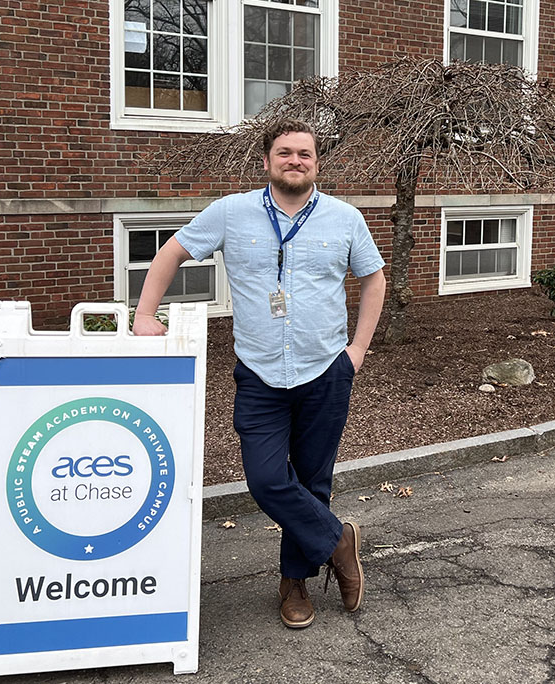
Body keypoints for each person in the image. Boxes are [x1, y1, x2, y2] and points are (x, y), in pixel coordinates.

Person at [132, 119, 387, 629]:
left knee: (313, 481)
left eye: (305, 154)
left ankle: (294, 584)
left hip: (325, 371)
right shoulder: (231, 212)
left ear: (317, 163)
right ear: (267, 161)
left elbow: (373, 277)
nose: (296, 161)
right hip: (259, 373)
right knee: (268, 479)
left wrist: (357, 349)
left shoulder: (344, 218)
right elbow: (172, 252)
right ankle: (338, 540)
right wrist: (144, 314)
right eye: (285, 153)